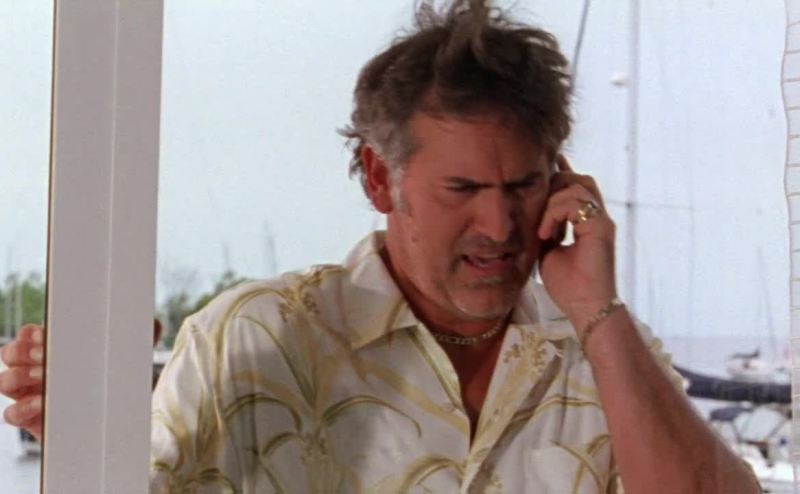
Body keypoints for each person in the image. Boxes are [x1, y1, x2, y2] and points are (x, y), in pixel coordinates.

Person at [1, 1, 760, 492]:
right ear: (376, 177)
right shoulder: (253, 338)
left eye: (523, 185)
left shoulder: (605, 356)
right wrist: (84, 430)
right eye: (462, 189)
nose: (499, 226)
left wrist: (598, 311)